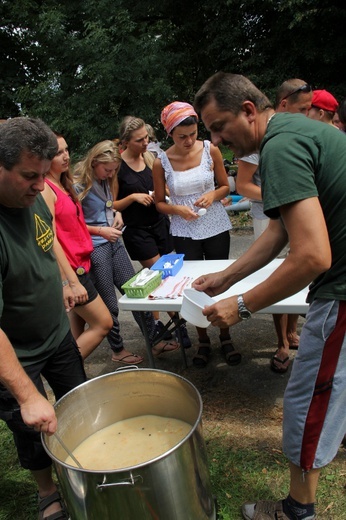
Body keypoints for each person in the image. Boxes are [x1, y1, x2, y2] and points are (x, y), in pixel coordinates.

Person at [193, 71, 346, 520]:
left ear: (247, 109)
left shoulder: (279, 146)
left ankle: (298, 511)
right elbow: (280, 229)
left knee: (309, 400)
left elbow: (313, 256)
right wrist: (226, 277)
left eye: (219, 126)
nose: (218, 140)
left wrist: (241, 307)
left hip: (341, 292)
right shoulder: (301, 131)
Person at [0, 117, 87, 520]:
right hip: (16, 353)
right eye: (29, 176)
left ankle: (86, 467)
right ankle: (47, 491)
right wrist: (27, 394)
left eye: (42, 174)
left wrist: (67, 281)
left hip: (56, 333)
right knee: (30, 427)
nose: (41, 185)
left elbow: (46, 238)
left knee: (78, 403)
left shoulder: (33, 195)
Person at [152, 101, 240, 368]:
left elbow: (225, 186)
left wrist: (213, 194)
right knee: (192, 284)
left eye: (192, 134)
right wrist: (176, 209)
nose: (189, 141)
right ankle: (203, 339)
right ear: (170, 135)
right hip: (183, 230)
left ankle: (225, 335)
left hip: (214, 224)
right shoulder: (161, 162)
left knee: (220, 280)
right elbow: (159, 203)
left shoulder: (210, 149)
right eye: (182, 137)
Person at [74, 140, 177, 361]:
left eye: (113, 171)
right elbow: (72, 226)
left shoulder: (107, 180)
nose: (110, 174)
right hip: (96, 248)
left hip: (115, 242)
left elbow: (112, 206)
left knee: (136, 291)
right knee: (109, 303)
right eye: (107, 170)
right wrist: (101, 231)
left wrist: (117, 216)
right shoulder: (78, 186)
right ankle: (118, 350)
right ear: (94, 163)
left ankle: (154, 341)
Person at [236, 78, 312, 373]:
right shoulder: (257, 140)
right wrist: (280, 194)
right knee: (275, 275)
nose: (306, 115)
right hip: (267, 217)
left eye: (310, 110)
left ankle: (292, 332)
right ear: (283, 104)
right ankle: (281, 341)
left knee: (298, 273)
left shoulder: (296, 137)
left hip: (296, 213)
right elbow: (243, 185)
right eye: (302, 109)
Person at [115, 115, 189, 349]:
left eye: (147, 137)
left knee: (171, 273)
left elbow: (162, 187)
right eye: (139, 140)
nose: (146, 142)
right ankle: (177, 323)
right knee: (159, 276)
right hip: (137, 231)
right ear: (126, 142)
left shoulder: (150, 157)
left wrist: (165, 192)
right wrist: (133, 197)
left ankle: (165, 323)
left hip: (160, 224)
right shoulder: (118, 167)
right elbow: (112, 204)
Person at [42, 133, 113, 359]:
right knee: (103, 323)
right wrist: (68, 282)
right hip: (72, 270)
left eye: (66, 150)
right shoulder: (46, 190)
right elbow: (49, 238)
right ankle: (67, 370)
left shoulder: (65, 182)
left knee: (75, 330)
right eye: (57, 153)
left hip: (83, 263)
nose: (65, 157)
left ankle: (71, 380)